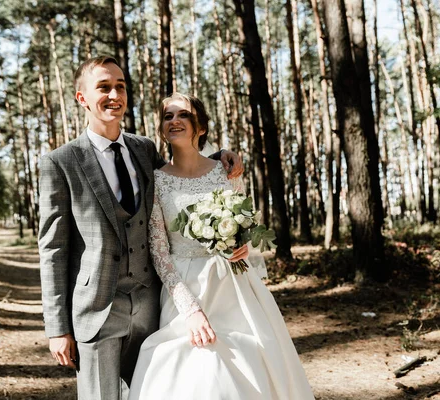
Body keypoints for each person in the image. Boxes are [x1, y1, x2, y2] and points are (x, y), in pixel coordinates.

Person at [38, 56, 243, 400]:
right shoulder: (60, 162)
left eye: (120, 86)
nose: (114, 94)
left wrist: (221, 153)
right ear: (82, 98)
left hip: (150, 308)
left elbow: (184, 177)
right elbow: (53, 251)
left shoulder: (143, 149)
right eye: (103, 87)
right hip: (97, 309)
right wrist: (57, 328)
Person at [128, 93, 315, 399]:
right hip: (183, 286)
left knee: (247, 360)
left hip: (233, 285)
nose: (174, 121)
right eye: (167, 116)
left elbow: (245, 222)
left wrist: (241, 246)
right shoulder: (157, 181)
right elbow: (160, 253)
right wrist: (190, 310)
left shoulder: (226, 170)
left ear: (200, 125)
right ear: (161, 128)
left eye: (183, 115)